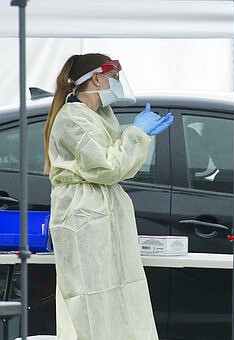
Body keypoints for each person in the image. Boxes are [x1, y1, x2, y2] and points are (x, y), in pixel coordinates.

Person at [43, 53, 173, 340]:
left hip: (102, 210)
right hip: (84, 216)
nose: (116, 84)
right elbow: (108, 167)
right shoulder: (73, 119)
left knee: (121, 292)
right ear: (97, 78)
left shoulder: (98, 115)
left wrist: (141, 136)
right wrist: (137, 133)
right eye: (113, 78)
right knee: (92, 298)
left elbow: (118, 166)